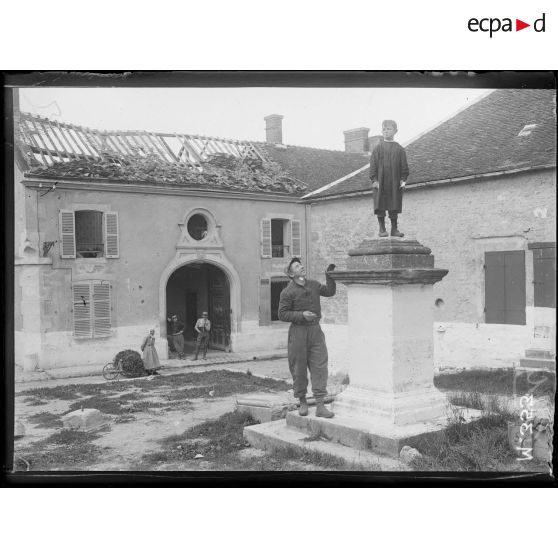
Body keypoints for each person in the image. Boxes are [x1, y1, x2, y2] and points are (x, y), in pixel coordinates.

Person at [278, 257, 337, 419]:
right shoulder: (287, 292)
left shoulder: (313, 284)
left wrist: (330, 276)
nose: (302, 266)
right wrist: (301, 315)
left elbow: (330, 292)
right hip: (298, 333)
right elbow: (282, 314)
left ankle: (320, 405)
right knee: (299, 367)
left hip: (315, 331)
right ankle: (302, 401)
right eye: (297, 266)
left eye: (301, 264)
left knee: (319, 365)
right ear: (291, 273)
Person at [369, 119, 409, 238]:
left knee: (394, 204)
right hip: (380, 181)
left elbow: (404, 167)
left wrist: (403, 179)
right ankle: (382, 229)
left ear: (395, 131)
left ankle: (394, 229)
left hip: (394, 181)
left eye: (389, 129)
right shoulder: (377, 149)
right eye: (384, 129)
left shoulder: (399, 149)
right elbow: (373, 167)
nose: (386, 131)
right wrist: (374, 180)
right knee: (380, 204)